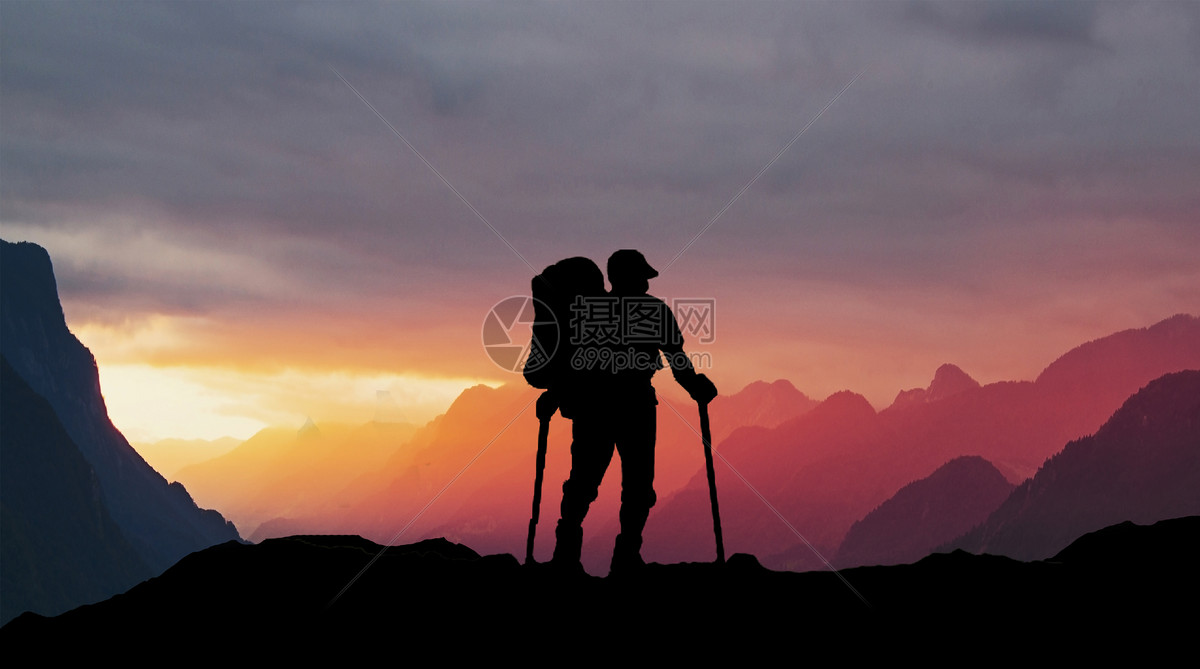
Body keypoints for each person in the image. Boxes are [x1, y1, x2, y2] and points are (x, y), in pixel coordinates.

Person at [550, 249, 717, 574]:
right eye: (641, 276)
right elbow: (676, 359)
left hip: (594, 410)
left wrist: (554, 397)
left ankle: (568, 557)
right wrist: (696, 386)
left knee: (586, 482)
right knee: (635, 487)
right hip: (635, 408)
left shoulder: (590, 312)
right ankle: (623, 558)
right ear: (628, 277)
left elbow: (568, 364)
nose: (645, 283)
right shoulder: (654, 311)